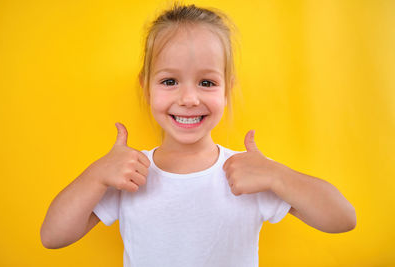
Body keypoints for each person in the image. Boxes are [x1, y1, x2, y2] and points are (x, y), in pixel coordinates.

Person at [40, 2, 356, 267]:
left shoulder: (252, 173)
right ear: (146, 88)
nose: (189, 98)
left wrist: (278, 176)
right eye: (169, 81)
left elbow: (343, 219)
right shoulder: (129, 173)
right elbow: (52, 237)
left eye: (206, 82)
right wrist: (95, 175)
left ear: (227, 89)